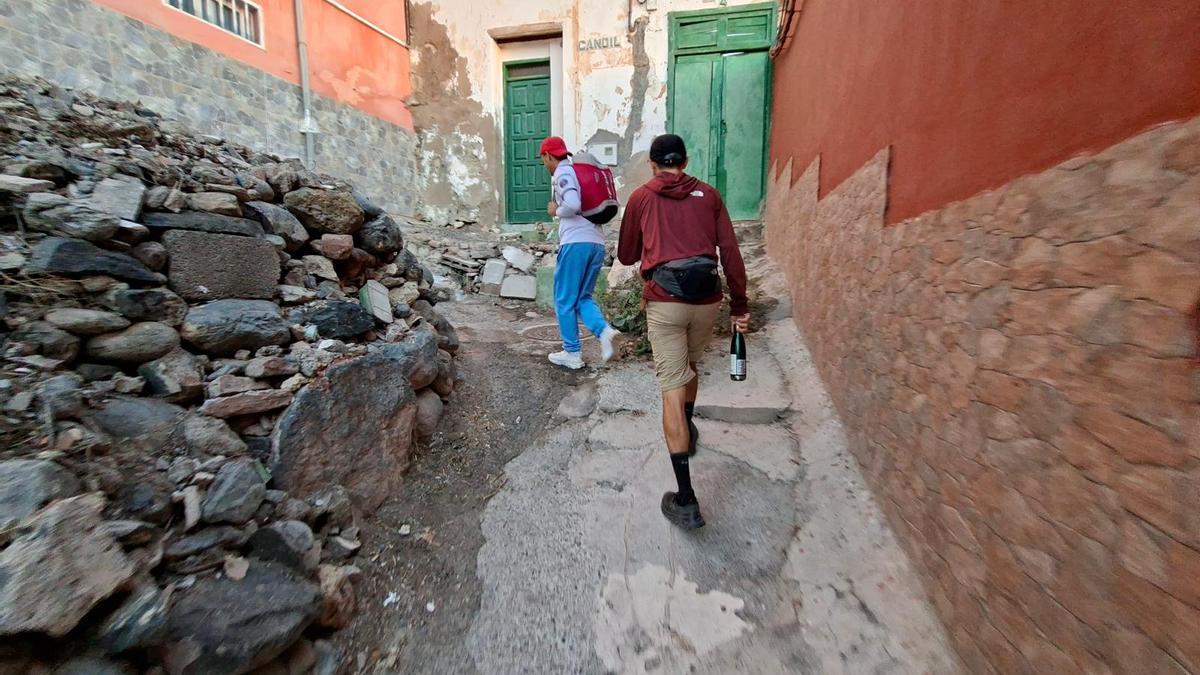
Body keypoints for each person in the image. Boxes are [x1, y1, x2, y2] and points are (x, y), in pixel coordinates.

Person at [616, 133, 749, 530]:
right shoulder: (709, 195)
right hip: (707, 302)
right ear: (685, 161)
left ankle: (686, 500)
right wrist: (740, 306)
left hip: (664, 300)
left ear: (653, 165)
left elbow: (626, 255)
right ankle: (688, 427)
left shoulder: (641, 197)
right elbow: (731, 252)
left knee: (671, 387)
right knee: (689, 366)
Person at [539, 136, 620, 369]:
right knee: (582, 297)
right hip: (595, 243)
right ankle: (605, 332)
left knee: (563, 299)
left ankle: (572, 352)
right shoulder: (576, 171)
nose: (544, 164)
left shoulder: (563, 174)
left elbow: (572, 205)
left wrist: (556, 210)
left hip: (575, 243)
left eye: (543, 159)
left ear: (547, 156)